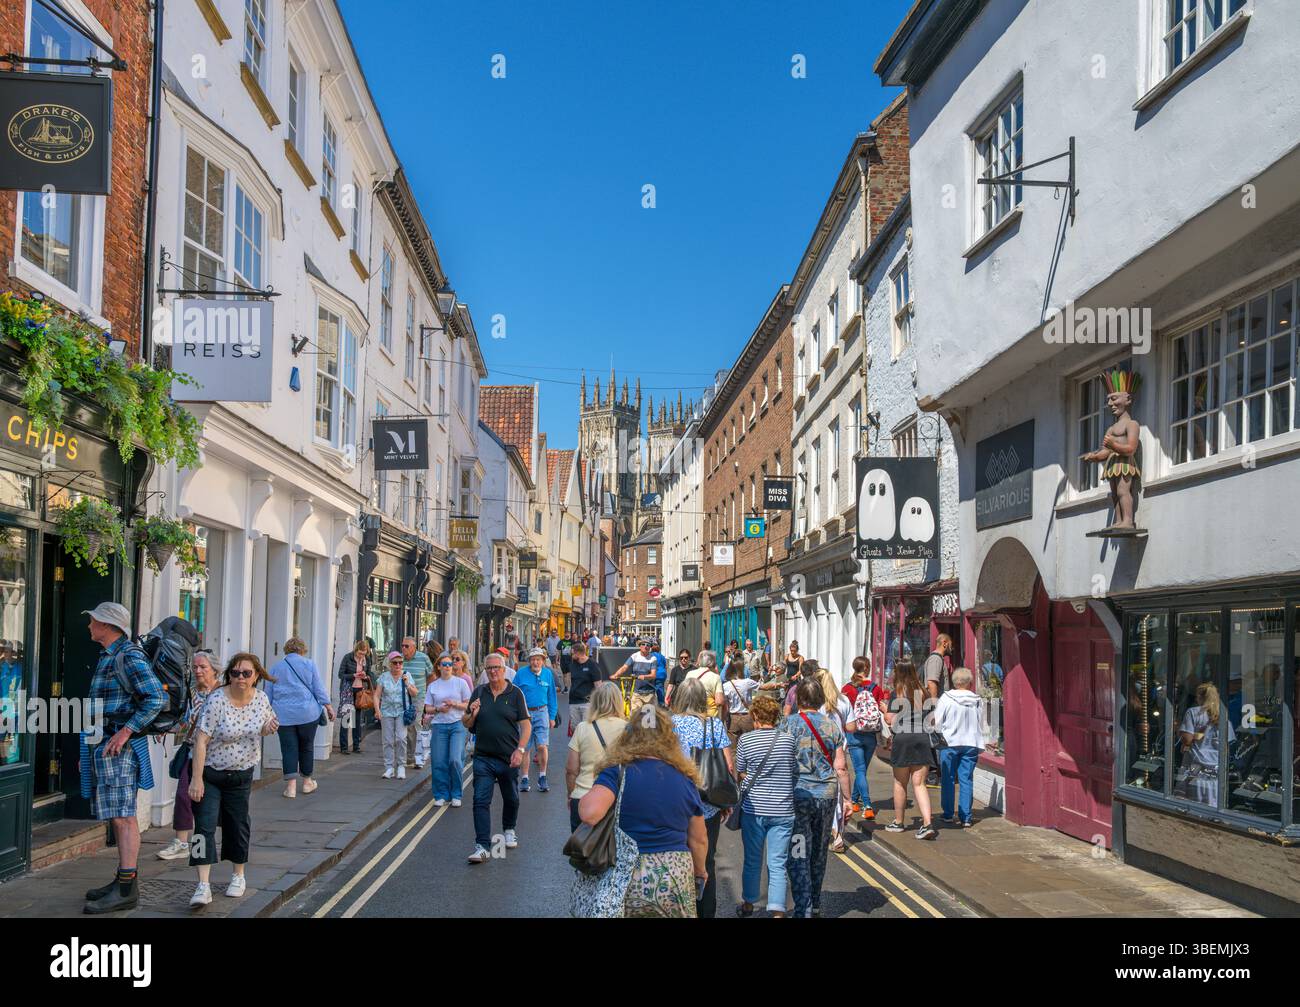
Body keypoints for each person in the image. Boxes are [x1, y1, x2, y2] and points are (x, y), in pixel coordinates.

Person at [576, 702, 708, 918]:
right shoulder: (685, 779)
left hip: (628, 875)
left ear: (629, 735)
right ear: (669, 738)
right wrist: (700, 871)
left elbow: (590, 813)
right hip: (674, 876)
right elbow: (699, 838)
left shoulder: (617, 772)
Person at [82, 602, 165, 914]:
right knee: (118, 815)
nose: (89, 625)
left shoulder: (127, 655)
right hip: (105, 745)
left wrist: (125, 732)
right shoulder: (110, 655)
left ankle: (127, 890)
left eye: (92, 620)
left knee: (123, 816)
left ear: (106, 624)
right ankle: (122, 880)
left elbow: (156, 697)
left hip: (119, 748)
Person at [186, 652, 278, 906]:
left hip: (241, 775)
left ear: (256, 675)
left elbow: (266, 724)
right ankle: (202, 885)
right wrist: (196, 779)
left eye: (246, 673)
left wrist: (268, 728)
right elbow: (201, 740)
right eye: (235, 673)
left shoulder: (261, 700)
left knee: (238, 825)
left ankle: (238, 876)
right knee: (201, 829)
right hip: (210, 774)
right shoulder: (217, 700)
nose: (240, 677)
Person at [784, 678, 852, 917]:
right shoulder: (832, 727)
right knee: (819, 851)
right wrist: (847, 800)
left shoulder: (788, 725)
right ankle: (815, 902)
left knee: (798, 850)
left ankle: (802, 906)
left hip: (798, 796)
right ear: (821, 699)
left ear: (799, 699)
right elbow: (841, 767)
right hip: (826, 796)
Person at [670, 679, 733, 918]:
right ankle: (705, 912)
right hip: (707, 805)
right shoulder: (714, 725)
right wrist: (725, 802)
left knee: (676, 860)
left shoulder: (669, 724)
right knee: (706, 862)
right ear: (701, 700)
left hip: (676, 804)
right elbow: (727, 765)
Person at [463, 652, 531, 863]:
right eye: (489, 668)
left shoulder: (515, 693)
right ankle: (482, 846)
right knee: (480, 800)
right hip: (483, 756)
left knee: (510, 797)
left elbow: (526, 725)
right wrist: (472, 714)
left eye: (496, 668)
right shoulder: (479, 692)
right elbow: (466, 723)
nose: (492, 671)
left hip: (508, 757)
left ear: (504, 670)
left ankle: (509, 829)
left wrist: (520, 751)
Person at [734, 694, 798, 918]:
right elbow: (793, 771)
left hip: (754, 810)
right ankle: (778, 911)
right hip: (783, 810)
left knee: (752, 859)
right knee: (778, 862)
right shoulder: (788, 739)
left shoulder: (746, 740)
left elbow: (740, 773)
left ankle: (749, 904)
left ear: (755, 716)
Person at [157, 650, 221, 861]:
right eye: (195, 667)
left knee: (212, 805)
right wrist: (166, 728)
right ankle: (182, 842)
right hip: (193, 751)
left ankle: (206, 848)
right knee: (184, 795)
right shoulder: (191, 693)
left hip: (219, 756)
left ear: (215, 670)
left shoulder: (223, 693)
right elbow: (184, 720)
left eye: (203, 667)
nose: (198, 671)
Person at [265, 638, 333, 799]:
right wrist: (328, 706)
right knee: (307, 746)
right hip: (308, 714)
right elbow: (318, 687)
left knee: (288, 748)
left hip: (283, 715)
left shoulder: (275, 667)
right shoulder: (309, 664)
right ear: (303, 650)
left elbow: (268, 693)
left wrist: (266, 713)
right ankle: (308, 782)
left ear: (286, 650)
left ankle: (291, 788)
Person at [884, 660, 938, 840]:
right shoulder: (924, 693)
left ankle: (899, 822)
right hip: (922, 739)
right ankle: (927, 823)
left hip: (903, 740)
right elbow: (932, 720)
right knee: (919, 784)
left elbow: (890, 720)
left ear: (897, 673)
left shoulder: (896, 694)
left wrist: (885, 710)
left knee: (900, 783)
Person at [565, 681, 626, 831]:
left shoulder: (582, 728)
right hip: (615, 799)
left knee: (581, 849)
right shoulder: (627, 729)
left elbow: (571, 770)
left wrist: (571, 794)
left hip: (583, 797)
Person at [934, 667, 985, 828]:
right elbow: (981, 721)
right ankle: (966, 817)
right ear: (969, 682)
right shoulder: (977, 699)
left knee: (948, 779)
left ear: (955, 682)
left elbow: (937, 722)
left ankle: (948, 814)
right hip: (971, 744)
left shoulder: (946, 698)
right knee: (966, 779)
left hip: (949, 743)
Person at [425, 652, 472, 807]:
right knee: (438, 761)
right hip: (439, 725)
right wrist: (438, 709)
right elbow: (427, 708)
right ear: (439, 667)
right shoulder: (433, 686)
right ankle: (440, 794)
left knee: (455, 760)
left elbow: (468, 705)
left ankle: (456, 793)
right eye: (444, 664)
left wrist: (454, 704)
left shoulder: (460, 683)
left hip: (457, 724)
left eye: (450, 664)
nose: (447, 667)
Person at [841, 656, 885, 821]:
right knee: (862, 771)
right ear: (867, 668)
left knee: (860, 771)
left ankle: (866, 806)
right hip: (871, 735)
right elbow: (881, 709)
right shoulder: (876, 688)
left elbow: (842, 712)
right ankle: (855, 800)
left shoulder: (847, 688)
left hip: (854, 734)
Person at [1177, 682, 1234, 806]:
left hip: (1195, 769)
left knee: (1191, 807)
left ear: (1200, 697)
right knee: (1212, 808)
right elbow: (1228, 744)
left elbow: (1186, 739)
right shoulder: (1223, 716)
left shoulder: (1193, 712)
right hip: (1215, 772)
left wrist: (1178, 730)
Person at [514, 647, 559, 793]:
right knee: (525, 748)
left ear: (543, 661)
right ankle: (525, 779)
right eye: (533, 659)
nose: (535, 662)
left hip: (542, 712)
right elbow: (513, 693)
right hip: (525, 714)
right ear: (529, 661)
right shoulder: (521, 673)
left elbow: (552, 696)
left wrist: (552, 717)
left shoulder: (547, 674)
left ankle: (542, 777)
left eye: (538, 659)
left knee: (542, 746)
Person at [374, 651, 418, 780]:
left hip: (401, 712)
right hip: (386, 711)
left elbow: (415, 693)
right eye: (395, 663)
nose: (398, 665)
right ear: (390, 664)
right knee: (387, 740)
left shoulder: (407, 675)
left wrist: (407, 684)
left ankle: (401, 766)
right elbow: (376, 695)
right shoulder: (383, 677)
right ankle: (389, 768)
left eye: (400, 663)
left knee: (400, 738)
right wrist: (377, 710)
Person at [401, 637, 433, 770]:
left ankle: (418, 756)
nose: (403, 648)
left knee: (415, 725)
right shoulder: (399, 659)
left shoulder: (423, 658)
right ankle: (409, 756)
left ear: (414, 647)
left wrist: (427, 692)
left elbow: (431, 675)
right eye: (402, 645)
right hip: (402, 698)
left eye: (406, 646)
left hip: (418, 697)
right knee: (406, 727)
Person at [337, 640, 373, 755]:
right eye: (360, 653)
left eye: (364, 653)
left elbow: (369, 673)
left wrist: (365, 676)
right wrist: (354, 675)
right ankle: (344, 747)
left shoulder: (367, 659)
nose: (361, 655)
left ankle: (356, 746)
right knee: (346, 719)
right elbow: (340, 674)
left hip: (360, 691)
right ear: (356, 650)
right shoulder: (348, 657)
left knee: (357, 719)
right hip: (348, 690)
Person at [567, 641, 608, 728]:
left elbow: (598, 685)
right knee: (575, 729)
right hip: (573, 702)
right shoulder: (573, 664)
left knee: (586, 729)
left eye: (572, 653)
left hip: (587, 703)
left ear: (578, 653)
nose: (571, 655)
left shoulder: (592, 665)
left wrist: (599, 704)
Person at [612, 639, 661, 710]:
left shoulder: (653, 659)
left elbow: (653, 675)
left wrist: (643, 677)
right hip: (636, 693)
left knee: (649, 718)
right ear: (640, 646)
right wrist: (616, 675)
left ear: (650, 648)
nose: (645, 646)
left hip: (649, 693)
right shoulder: (634, 656)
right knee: (635, 715)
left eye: (648, 645)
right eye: (643, 644)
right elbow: (624, 667)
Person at [722, 658, 760, 744]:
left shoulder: (726, 686)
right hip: (746, 717)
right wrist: (777, 685)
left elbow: (726, 707)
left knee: (733, 747)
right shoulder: (748, 682)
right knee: (749, 744)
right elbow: (763, 687)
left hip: (733, 718)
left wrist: (723, 719)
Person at [684, 649, 726, 719]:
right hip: (709, 718)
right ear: (712, 663)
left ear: (700, 662)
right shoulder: (715, 677)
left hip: (691, 714)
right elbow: (719, 702)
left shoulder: (689, 674)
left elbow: (685, 695)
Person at [925, 633, 954, 700]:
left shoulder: (938, 658)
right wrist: (935, 705)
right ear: (944, 643)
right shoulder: (936, 659)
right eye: (950, 644)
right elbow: (931, 682)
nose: (951, 647)